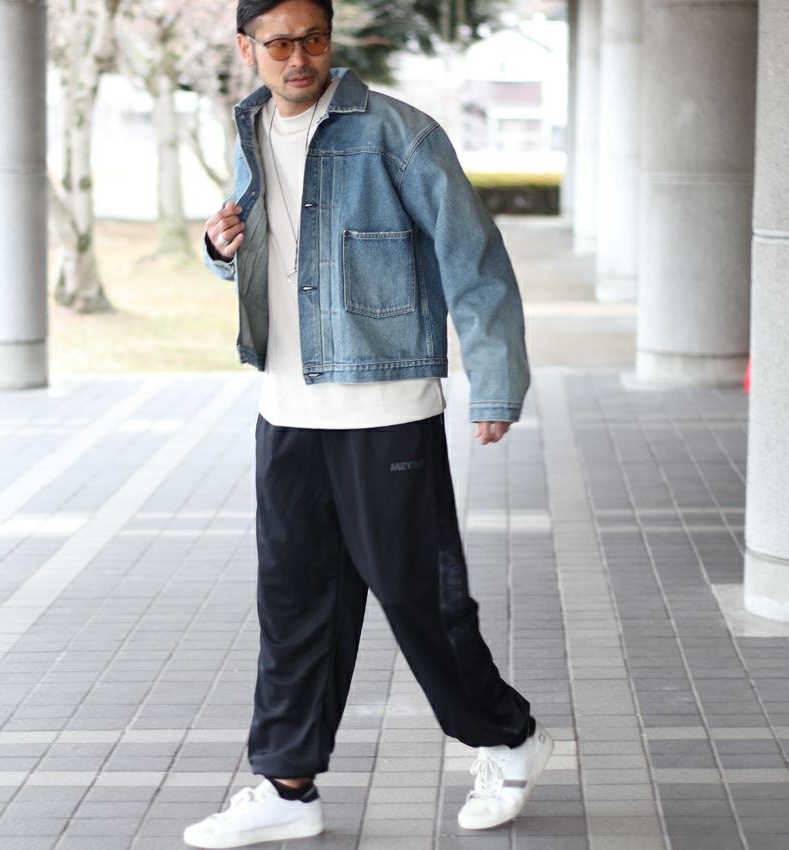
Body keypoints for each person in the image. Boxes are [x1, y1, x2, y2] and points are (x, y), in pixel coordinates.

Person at [184, 1, 553, 846]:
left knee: (419, 599)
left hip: (385, 408)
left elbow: (474, 259)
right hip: (286, 409)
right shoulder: (249, 133)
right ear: (247, 48)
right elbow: (276, 260)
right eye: (280, 43)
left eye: (313, 39)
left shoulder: (399, 134)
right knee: (295, 605)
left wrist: (495, 383)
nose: (299, 58)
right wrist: (219, 249)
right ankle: (287, 786)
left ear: (330, 40)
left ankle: (510, 738)